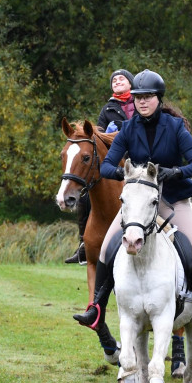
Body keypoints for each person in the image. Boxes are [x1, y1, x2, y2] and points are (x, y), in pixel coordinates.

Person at [73, 68, 192, 333]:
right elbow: (108, 165)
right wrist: (126, 175)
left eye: (148, 97)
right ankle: (96, 309)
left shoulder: (175, 127)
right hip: (139, 202)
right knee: (105, 249)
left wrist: (175, 172)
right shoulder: (128, 128)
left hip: (172, 199)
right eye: (138, 97)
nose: (142, 101)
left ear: (159, 98)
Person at [64, 69, 136, 265]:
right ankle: (83, 244)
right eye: (114, 80)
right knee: (86, 196)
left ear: (131, 83)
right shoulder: (107, 109)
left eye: (121, 79)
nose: (117, 81)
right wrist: (109, 135)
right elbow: (99, 137)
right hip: (116, 159)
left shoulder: (141, 103)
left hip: (139, 160)